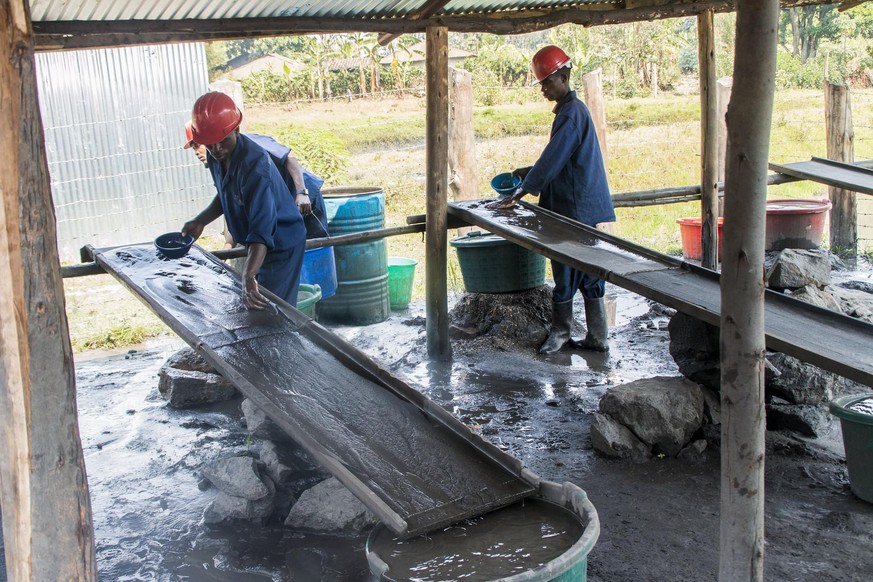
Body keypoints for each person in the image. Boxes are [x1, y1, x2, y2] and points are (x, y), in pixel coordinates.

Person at [488, 46, 616, 354]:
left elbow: (555, 157)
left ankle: (561, 333)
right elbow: (561, 159)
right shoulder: (573, 111)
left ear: (564, 76)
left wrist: (522, 189)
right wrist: (529, 172)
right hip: (578, 202)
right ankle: (597, 337)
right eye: (542, 83)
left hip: (573, 207)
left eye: (547, 82)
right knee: (588, 268)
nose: (544, 88)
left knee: (566, 269)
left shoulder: (572, 114)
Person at [182, 92, 307, 310]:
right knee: (251, 305)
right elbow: (226, 195)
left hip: (280, 242)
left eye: (223, 142)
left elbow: (262, 228)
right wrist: (201, 220)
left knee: (272, 310)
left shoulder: (256, 165)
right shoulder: (215, 156)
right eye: (210, 144)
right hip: (254, 243)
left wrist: (249, 275)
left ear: (236, 130)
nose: (216, 149)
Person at [185, 122, 329, 240]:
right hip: (280, 209)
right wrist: (201, 221)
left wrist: (302, 192)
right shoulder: (219, 163)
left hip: (304, 198)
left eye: (198, 145)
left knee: (314, 249)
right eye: (193, 147)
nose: (197, 151)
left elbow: (289, 157)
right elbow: (226, 198)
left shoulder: (250, 145)